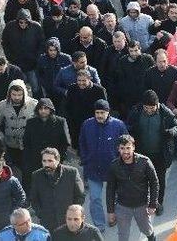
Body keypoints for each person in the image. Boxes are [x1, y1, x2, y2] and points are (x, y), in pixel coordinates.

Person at [126, 90, 177, 215]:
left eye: (152, 108)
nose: (149, 110)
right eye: (146, 107)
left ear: (157, 104)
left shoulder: (164, 112)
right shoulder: (136, 111)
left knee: (159, 180)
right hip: (142, 154)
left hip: (160, 154)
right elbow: (127, 126)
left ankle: (158, 203)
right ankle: (144, 202)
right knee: (142, 180)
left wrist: (171, 132)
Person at [78, 99, 128, 233]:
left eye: (102, 112)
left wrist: (124, 162)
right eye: (97, 112)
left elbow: (127, 145)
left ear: (108, 112)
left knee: (116, 195)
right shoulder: (87, 125)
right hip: (93, 168)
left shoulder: (118, 125)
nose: (99, 115)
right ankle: (99, 224)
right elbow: (82, 143)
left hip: (113, 169)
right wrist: (85, 159)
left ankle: (113, 216)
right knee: (95, 198)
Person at [106, 134, 158, 241]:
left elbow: (154, 182)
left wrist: (152, 204)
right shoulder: (114, 165)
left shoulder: (144, 162)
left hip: (142, 205)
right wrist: (110, 211)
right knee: (123, 236)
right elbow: (110, 189)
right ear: (118, 149)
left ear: (133, 147)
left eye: (128, 148)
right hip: (122, 206)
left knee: (147, 229)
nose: (125, 151)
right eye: (122, 148)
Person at [29, 147, 85, 232]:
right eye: (44, 161)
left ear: (58, 160)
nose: (46, 164)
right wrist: (41, 214)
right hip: (48, 222)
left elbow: (80, 195)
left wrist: (74, 213)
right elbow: (34, 199)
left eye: (50, 161)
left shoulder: (71, 173)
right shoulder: (36, 175)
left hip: (69, 221)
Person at [22, 98, 70, 184]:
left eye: (46, 108)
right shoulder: (31, 123)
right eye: (41, 108)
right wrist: (28, 159)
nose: (43, 111)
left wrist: (59, 160)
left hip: (54, 160)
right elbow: (26, 142)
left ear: (51, 109)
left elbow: (65, 143)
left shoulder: (60, 122)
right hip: (35, 161)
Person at [0, 80, 38, 177]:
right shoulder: (3, 105)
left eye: (20, 94)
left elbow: (38, 123)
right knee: (13, 170)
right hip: (9, 144)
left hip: (27, 144)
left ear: (24, 93)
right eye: (14, 94)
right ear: (9, 93)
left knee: (28, 170)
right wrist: (0, 137)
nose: (17, 97)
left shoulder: (34, 104)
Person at [0, 158, 25, 234]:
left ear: (1, 171)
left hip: (6, 222)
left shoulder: (12, 181)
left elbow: (21, 198)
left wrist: (11, 212)